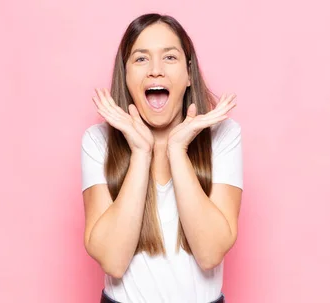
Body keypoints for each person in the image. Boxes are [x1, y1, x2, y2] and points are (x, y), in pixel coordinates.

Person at [80, 13, 243, 303]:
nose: (155, 70)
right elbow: (113, 261)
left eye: (170, 57)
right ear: (126, 75)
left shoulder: (223, 136)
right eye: (141, 59)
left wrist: (177, 150)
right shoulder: (98, 142)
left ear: (189, 73)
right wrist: (141, 153)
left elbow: (210, 253)